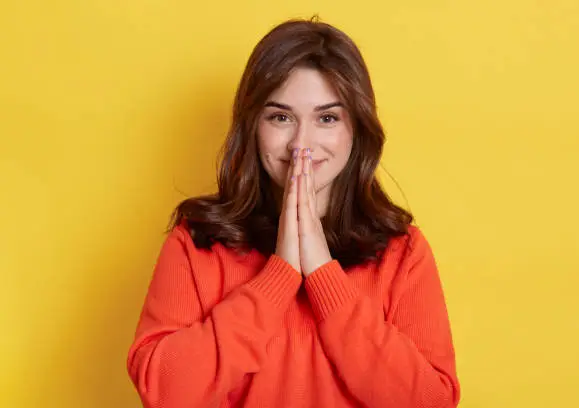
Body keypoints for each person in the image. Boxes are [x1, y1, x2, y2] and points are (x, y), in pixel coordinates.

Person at [127, 17, 460, 408]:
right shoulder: (197, 242)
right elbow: (164, 393)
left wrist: (322, 274)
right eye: (281, 117)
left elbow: (431, 402)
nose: (301, 144)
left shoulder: (403, 253)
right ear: (253, 126)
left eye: (327, 118)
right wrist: (279, 276)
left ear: (357, 130)